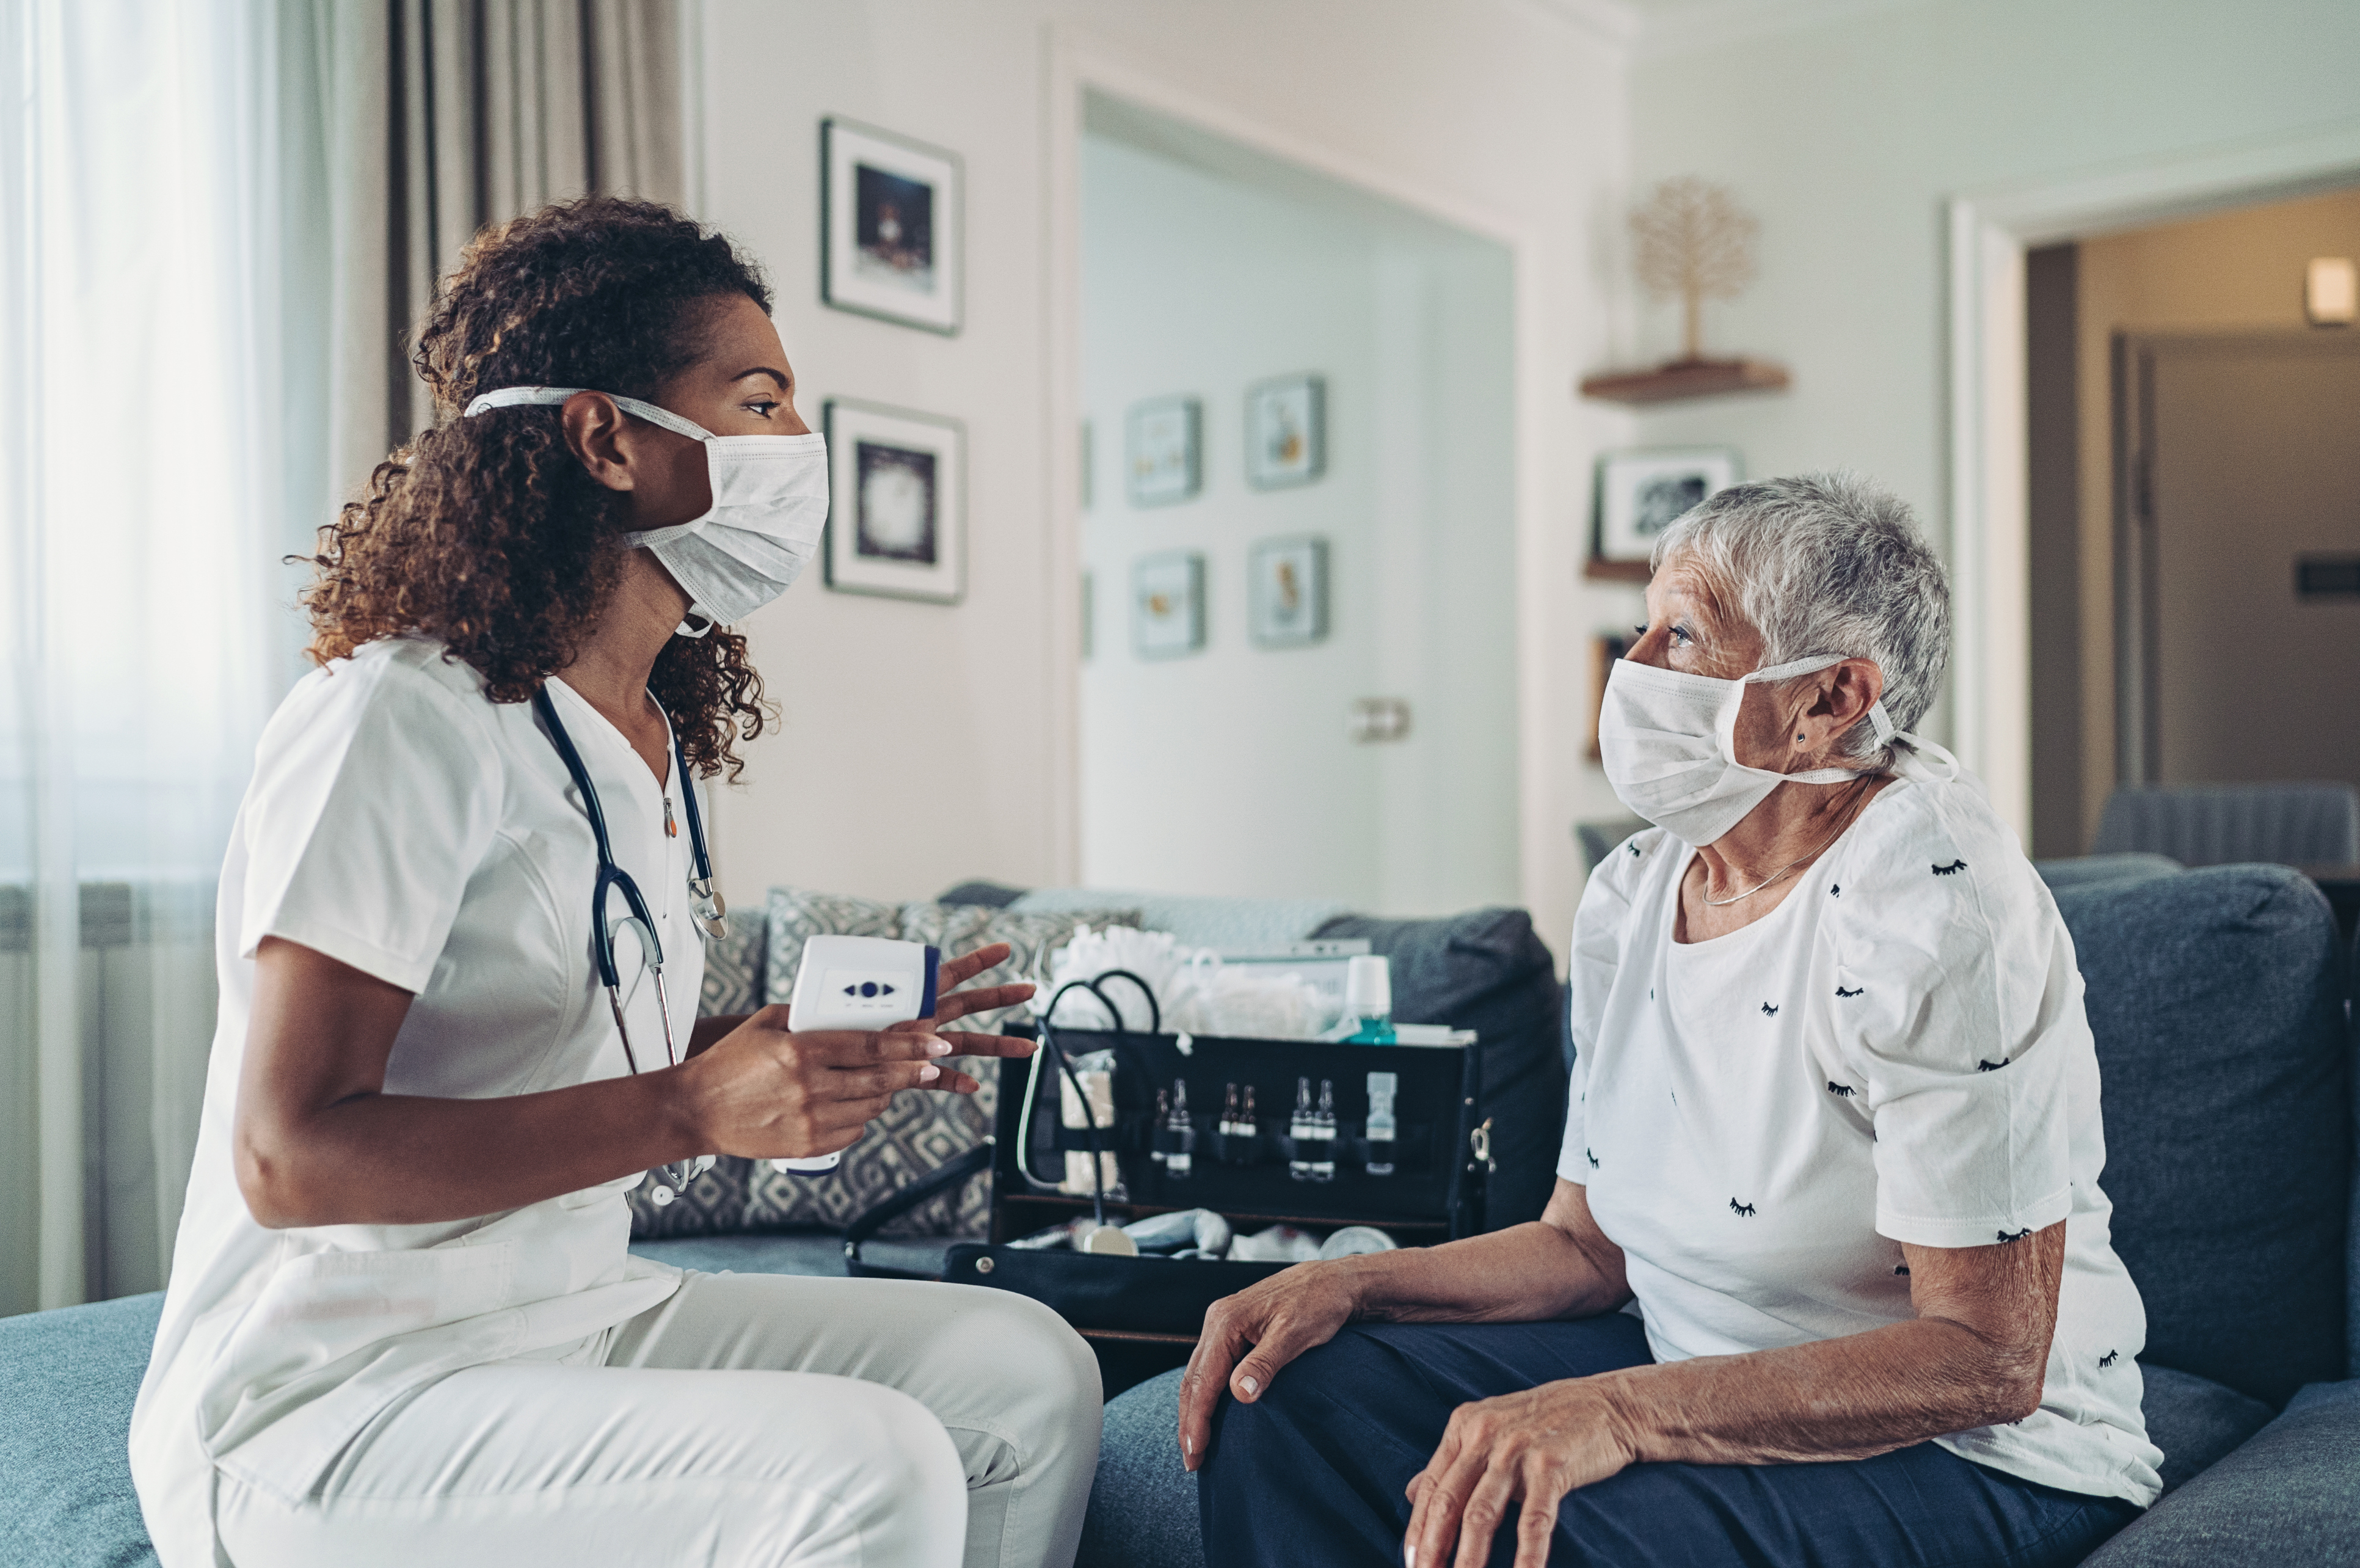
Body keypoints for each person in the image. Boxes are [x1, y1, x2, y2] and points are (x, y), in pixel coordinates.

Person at [129, 199, 1100, 1568]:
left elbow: (565, 1047)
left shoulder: (643, 740)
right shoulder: (401, 715)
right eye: (760, 402)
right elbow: (289, 1156)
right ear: (605, 438)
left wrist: (799, 1062)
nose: (798, 450)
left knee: (1025, 1370)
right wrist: (694, 1104)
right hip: (335, 1394)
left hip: (568, 1309)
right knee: (864, 1469)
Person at [1181, 473, 2160, 1568]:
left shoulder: (1938, 912)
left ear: (1831, 700)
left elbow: (1985, 1360)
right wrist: (1352, 1282)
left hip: (1972, 1452)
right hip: (1681, 1361)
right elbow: (1584, 1248)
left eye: (1684, 634)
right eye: (1643, 627)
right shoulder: (1636, 889)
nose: (1632, 668)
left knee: (1552, 1521)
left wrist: (1623, 1414)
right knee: (1287, 1390)